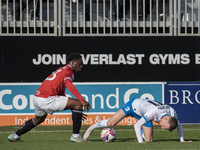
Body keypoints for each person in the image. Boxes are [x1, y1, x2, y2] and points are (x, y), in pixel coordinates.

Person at [8, 52, 91, 143]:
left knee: (38, 119)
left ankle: (14, 136)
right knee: (78, 103)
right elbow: (68, 84)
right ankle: (75, 136)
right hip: (46, 99)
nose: (81, 65)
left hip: (37, 97)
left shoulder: (62, 70)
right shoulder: (69, 71)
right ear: (72, 63)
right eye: (79, 63)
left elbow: (60, 91)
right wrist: (81, 100)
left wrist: (74, 109)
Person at [82, 98, 193, 143]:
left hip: (143, 113)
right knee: (111, 123)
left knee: (149, 141)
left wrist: (182, 140)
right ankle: (92, 127)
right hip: (133, 105)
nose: (162, 127)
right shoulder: (153, 113)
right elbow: (136, 125)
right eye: (164, 126)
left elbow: (178, 125)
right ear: (164, 118)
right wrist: (140, 142)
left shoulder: (172, 113)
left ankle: (143, 135)